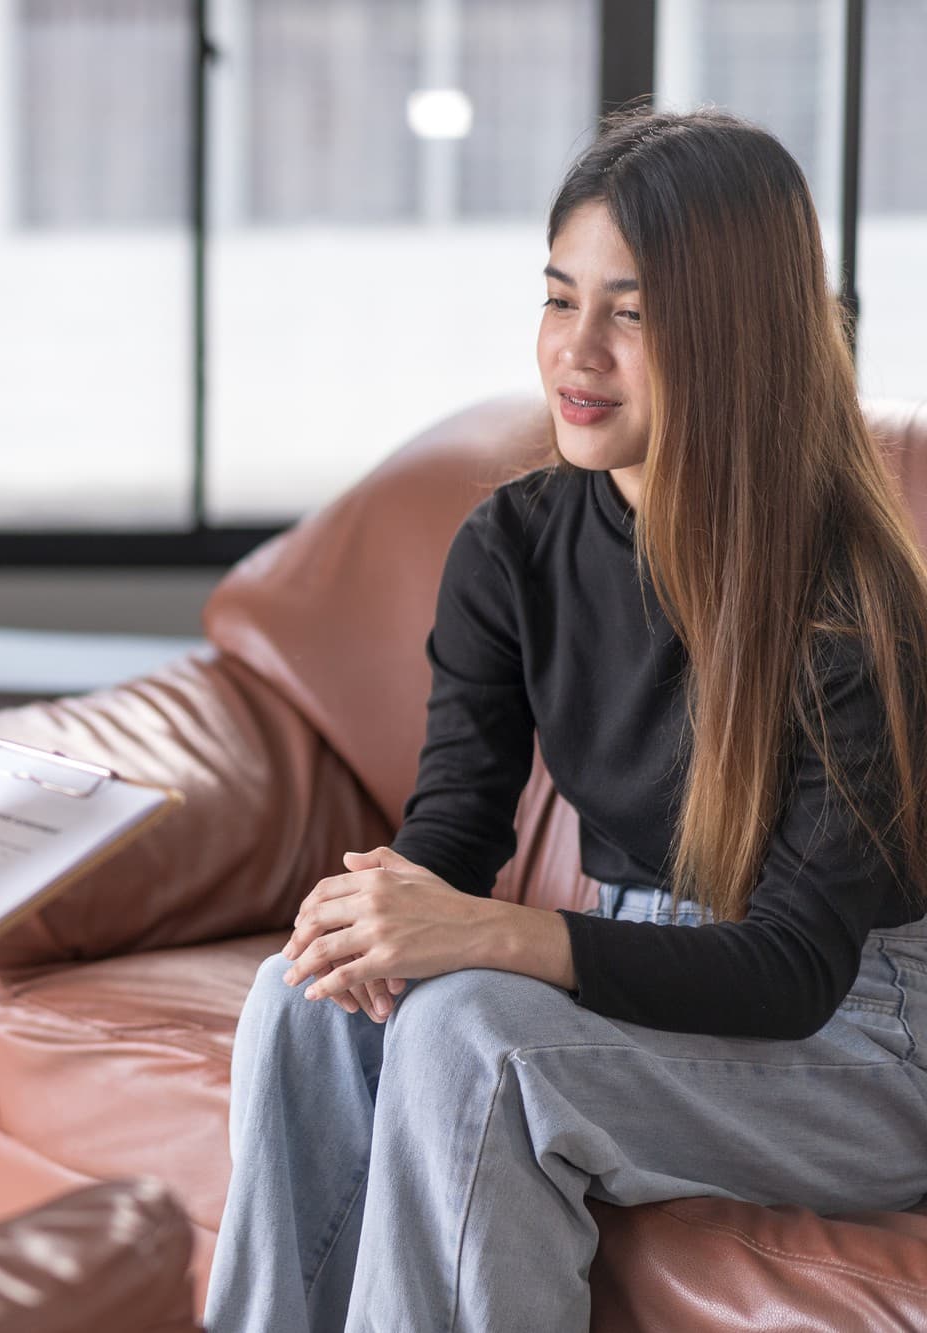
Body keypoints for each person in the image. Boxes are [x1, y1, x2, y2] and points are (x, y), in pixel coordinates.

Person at [204, 109, 927, 1332]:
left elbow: (792, 968)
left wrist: (489, 940)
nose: (574, 351)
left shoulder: (847, 601)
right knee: (302, 996)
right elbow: (452, 825)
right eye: (557, 298)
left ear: (730, 334)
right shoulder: (514, 544)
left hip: (861, 1038)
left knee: (473, 1037)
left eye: (629, 314)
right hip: (642, 983)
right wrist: (380, 919)